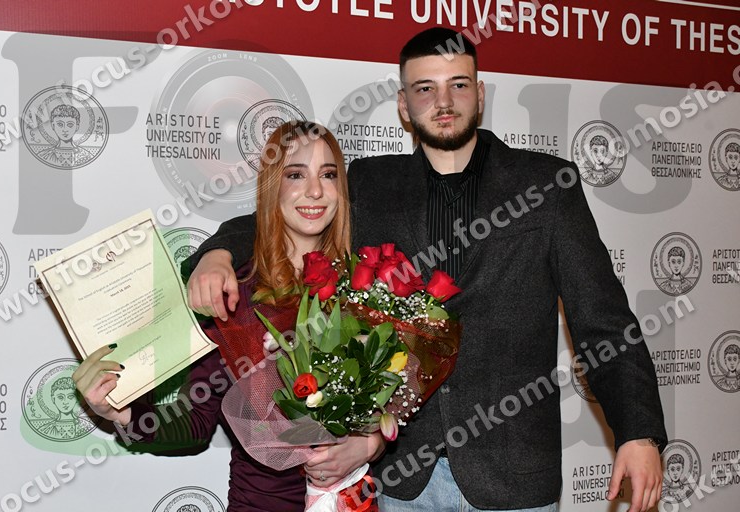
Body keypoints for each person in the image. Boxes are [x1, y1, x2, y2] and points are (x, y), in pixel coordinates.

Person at [183, 28, 667, 512]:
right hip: (403, 481)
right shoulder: (371, 183)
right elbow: (285, 212)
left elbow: (603, 318)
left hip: (514, 478)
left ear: (480, 94)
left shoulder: (546, 185)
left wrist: (639, 432)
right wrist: (218, 253)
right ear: (403, 105)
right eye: (425, 88)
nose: (444, 101)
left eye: (458, 84)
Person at [72, 121, 384, 511]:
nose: (315, 191)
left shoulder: (366, 283)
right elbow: (196, 419)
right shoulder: (233, 292)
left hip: (356, 503)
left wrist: (370, 442)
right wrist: (123, 413)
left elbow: (396, 402)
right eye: (295, 175)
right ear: (272, 186)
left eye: (328, 174)